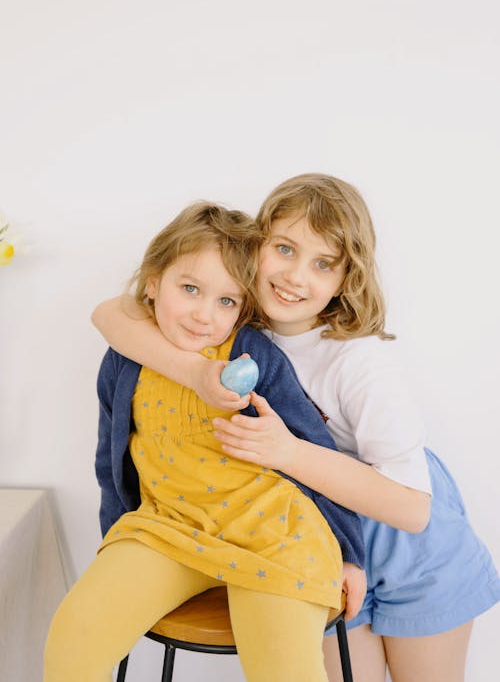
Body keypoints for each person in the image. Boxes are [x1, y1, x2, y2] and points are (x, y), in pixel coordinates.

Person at [92, 174, 500, 682]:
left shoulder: (359, 362)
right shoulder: (229, 321)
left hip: (412, 547)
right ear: (254, 246)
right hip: (313, 539)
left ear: (345, 279)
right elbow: (112, 314)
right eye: (284, 249)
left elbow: (414, 511)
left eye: (323, 263)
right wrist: (195, 373)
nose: (295, 276)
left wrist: (287, 453)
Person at [45, 201, 366, 682]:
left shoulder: (252, 355)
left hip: (275, 534)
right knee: (73, 640)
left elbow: (315, 449)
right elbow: (109, 458)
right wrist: (115, 539)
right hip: (167, 528)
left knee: (285, 669)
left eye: (226, 301)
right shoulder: (125, 359)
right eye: (190, 289)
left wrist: (348, 553)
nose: (202, 315)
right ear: (153, 283)